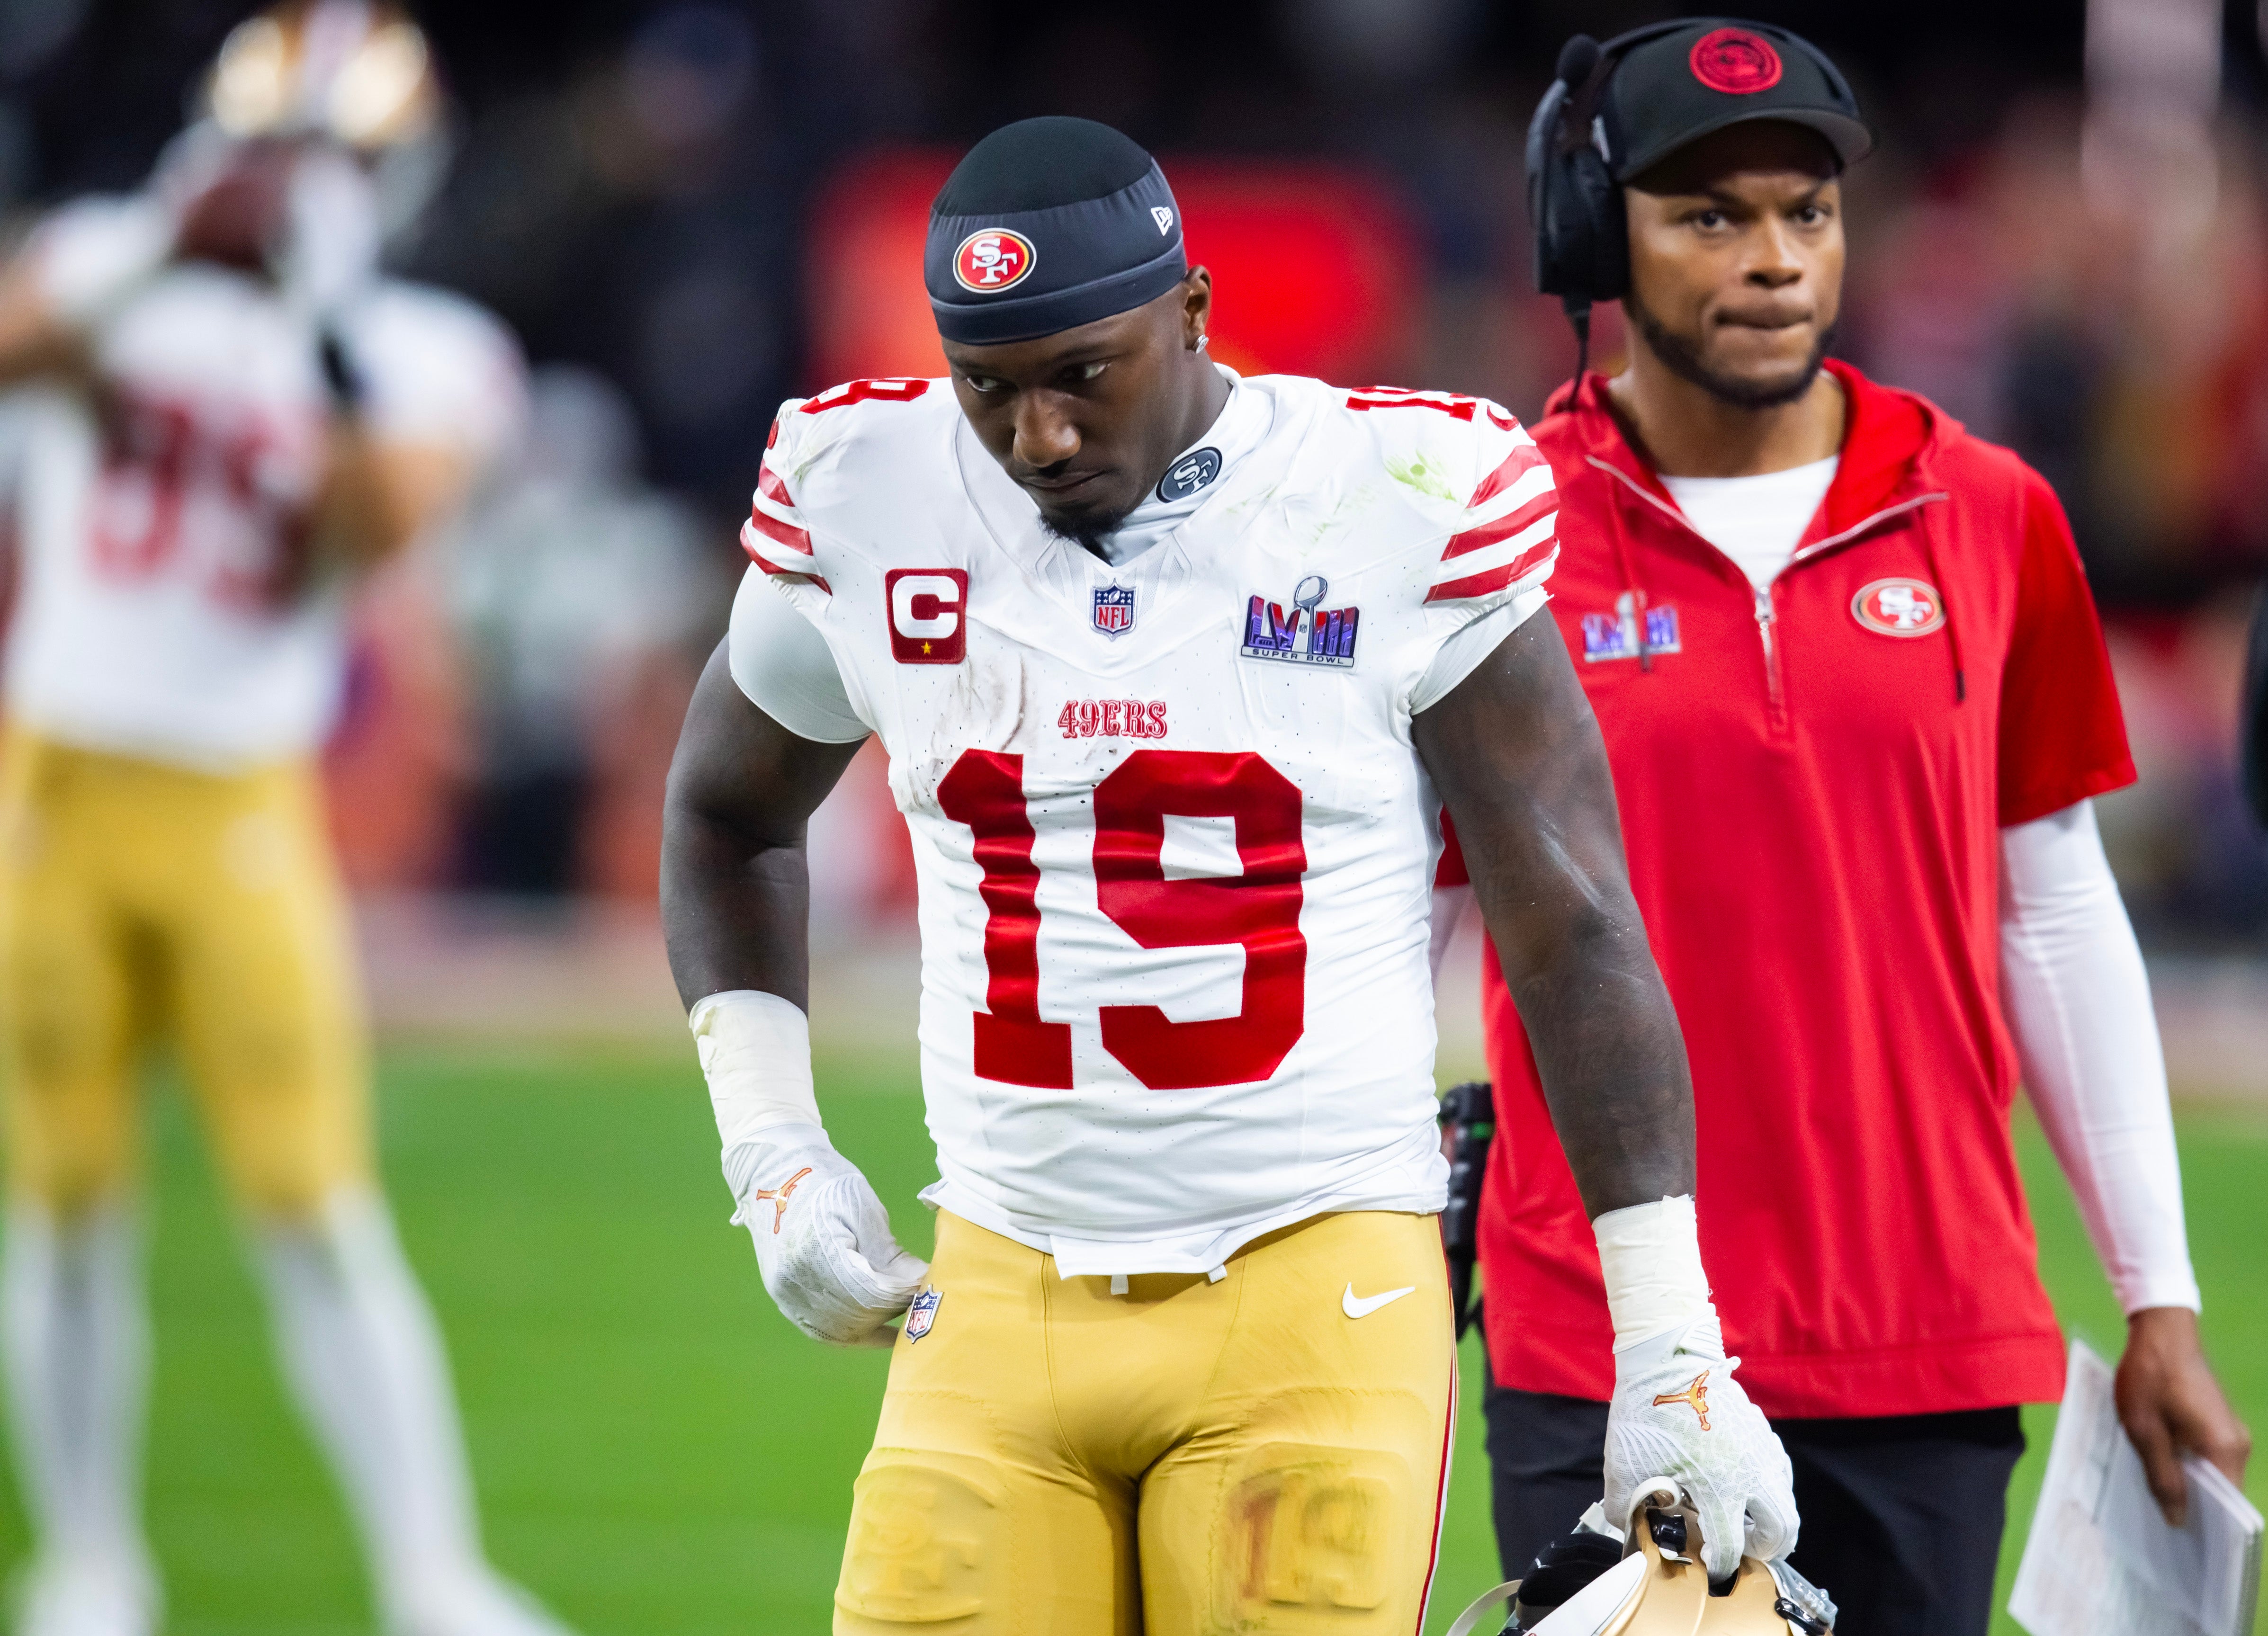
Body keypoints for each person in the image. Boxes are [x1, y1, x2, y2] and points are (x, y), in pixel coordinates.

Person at [661, 116, 1800, 1635]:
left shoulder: (1392, 490)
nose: (1040, 436)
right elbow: (726, 816)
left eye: (1085, 373)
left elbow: (1575, 925)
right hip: (997, 1288)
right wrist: (772, 1149)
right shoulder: (870, 489)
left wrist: (1672, 1343)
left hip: (1312, 1284)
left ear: (1194, 310)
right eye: (988, 387)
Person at [1444, 20, 2251, 1634]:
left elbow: (2057, 912)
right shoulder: (1498, 529)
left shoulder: (1993, 511)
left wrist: (2158, 1296)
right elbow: (1405, 912)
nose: (1770, 261)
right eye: (1709, 216)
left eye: (1804, 212)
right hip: (1604, 1330)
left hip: (1924, 1330)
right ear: (1603, 240)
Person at [0, 7, 563, 1635]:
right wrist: (161, 254)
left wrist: (315, 312)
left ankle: (429, 1577)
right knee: (64, 1198)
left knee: (316, 1199)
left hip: (238, 802)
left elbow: (379, 517)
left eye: (334, 159)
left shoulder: (427, 351)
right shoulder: (113, 260)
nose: (299, 184)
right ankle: (90, 1562)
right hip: (58, 787)